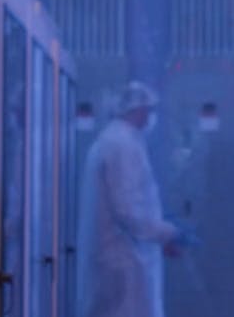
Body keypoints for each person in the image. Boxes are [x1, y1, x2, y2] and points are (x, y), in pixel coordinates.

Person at [76, 82, 182, 317]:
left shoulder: (116, 140)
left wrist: (160, 235)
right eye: (149, 110)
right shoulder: (122, 145)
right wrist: (166, 232)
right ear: (137, 110)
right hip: (123, 263)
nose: (151, 117)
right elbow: (129, 210)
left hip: (119, 258)